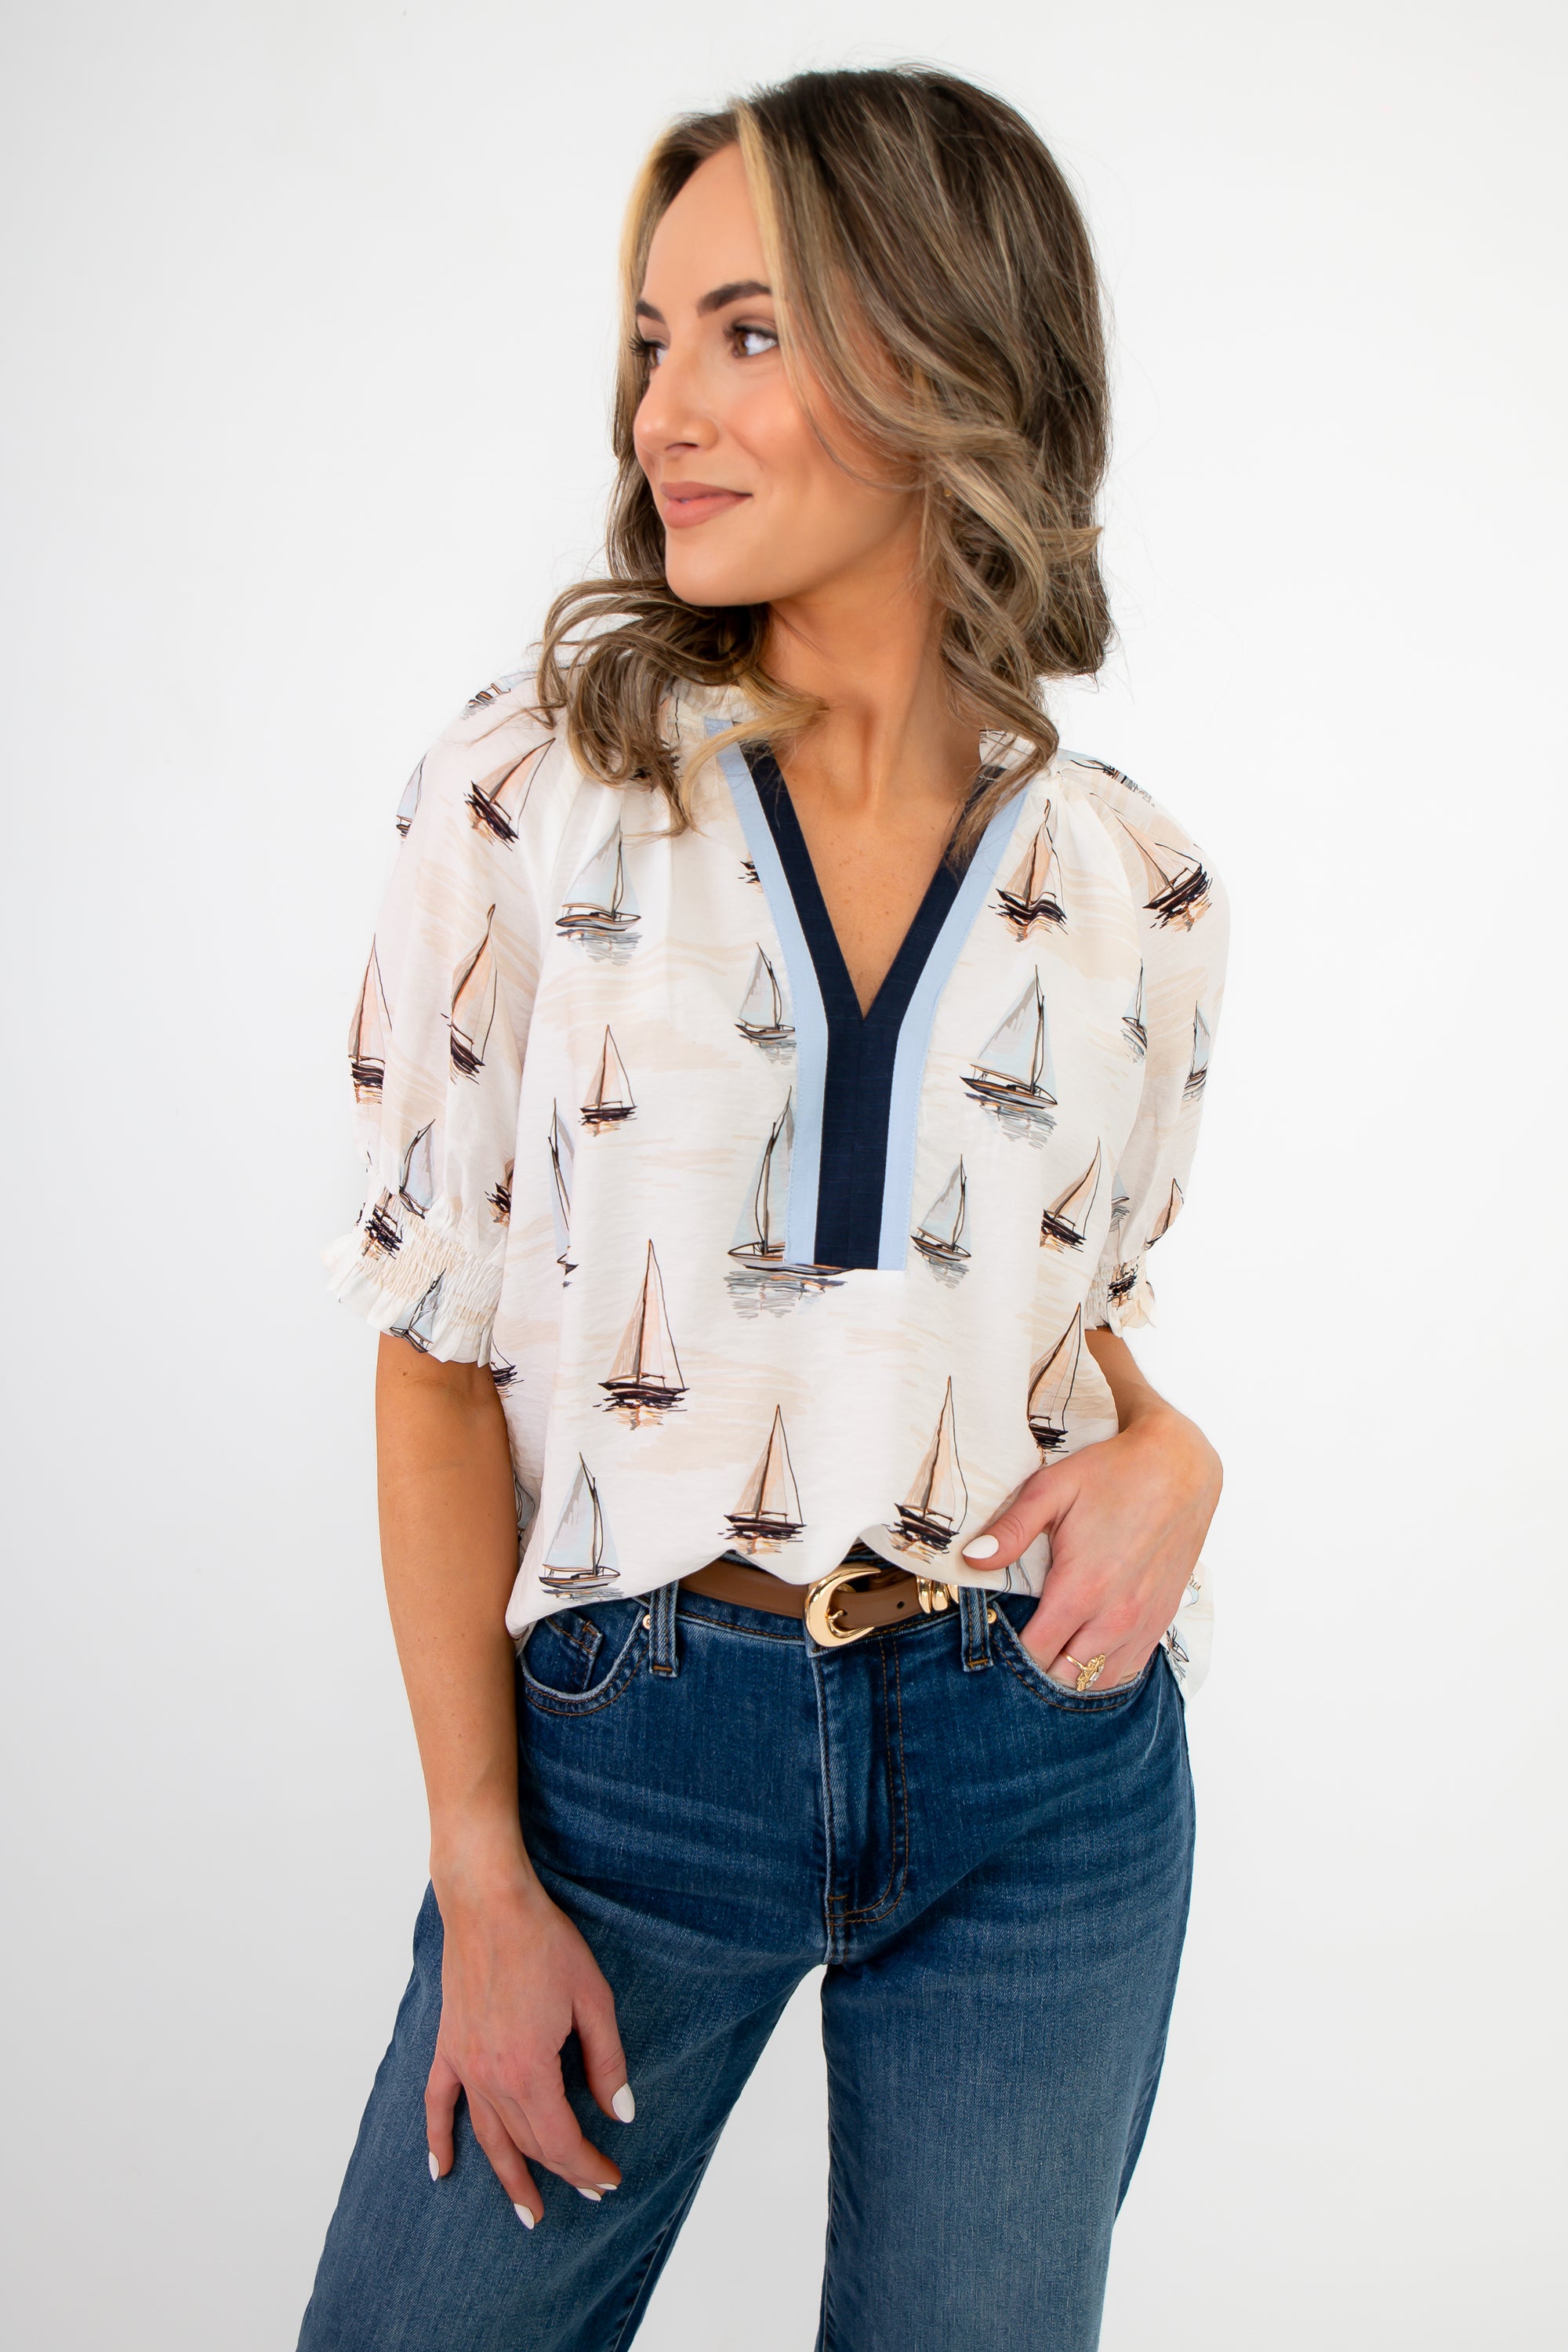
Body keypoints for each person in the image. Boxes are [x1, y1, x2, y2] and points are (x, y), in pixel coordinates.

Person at [299, 63, 1229, 2352]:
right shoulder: (532, 797)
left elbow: (1036, 1308)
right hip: (630, 1760)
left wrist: (1175, 1451)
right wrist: (484, 1876)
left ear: (941, 354)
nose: (663, 415)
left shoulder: (1131, 881)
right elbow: (436, 1351)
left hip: (1041, 1765)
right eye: (650, 341)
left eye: (744, 333)